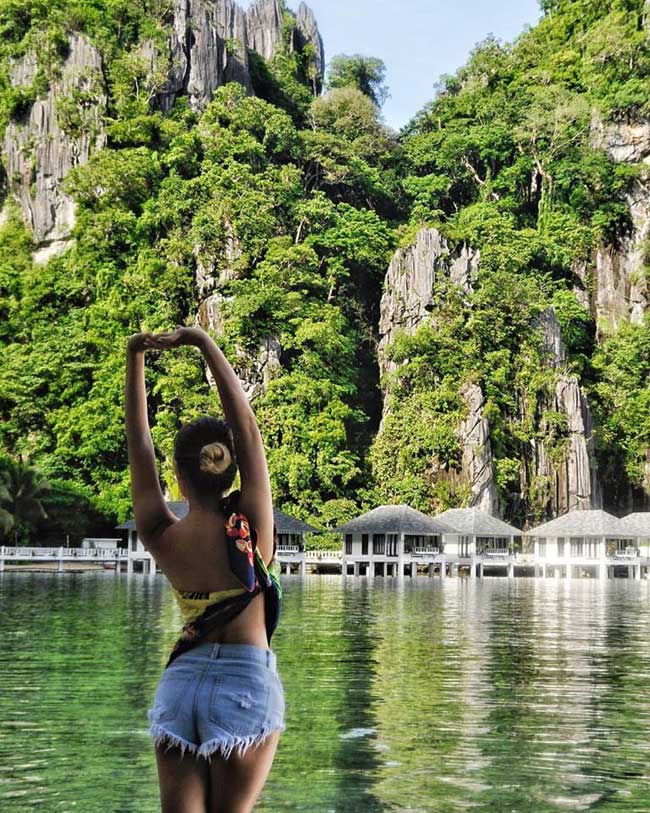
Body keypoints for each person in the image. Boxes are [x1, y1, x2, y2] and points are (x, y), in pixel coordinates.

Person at [125, 324, 285, 813]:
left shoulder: (161, 535)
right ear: (233, 467)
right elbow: (249, 430)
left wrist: (135, 357)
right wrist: (202, 342)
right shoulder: (251, 530)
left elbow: (139, 445)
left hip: (181, 686)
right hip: (243, 685)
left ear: (177, 474)